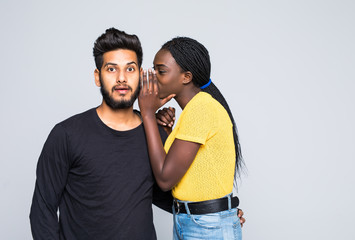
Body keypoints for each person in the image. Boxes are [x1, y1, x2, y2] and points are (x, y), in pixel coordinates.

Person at [29, 28, 245, 240]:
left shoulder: (155, 132)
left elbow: (168, 192)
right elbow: (43, 209)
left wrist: (219, 213)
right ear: (98, 77)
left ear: (141, 76)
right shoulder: (66, 135)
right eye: (112, 69)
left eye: (130, 69)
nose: (122, 78)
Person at [138, 37, 245, 239]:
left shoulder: (202, 108)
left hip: (206, 227)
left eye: (161, 71)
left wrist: (147, 115)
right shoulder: (193, 110)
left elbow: (165, 178)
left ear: (186, 77)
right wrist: (167, 132)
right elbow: (192, 170)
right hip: (193, 222)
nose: (152, 78)